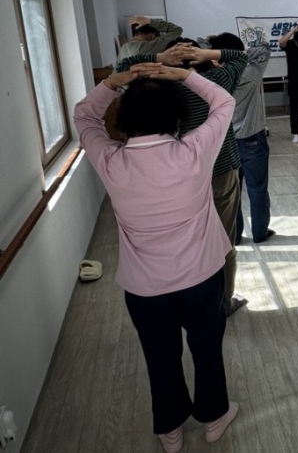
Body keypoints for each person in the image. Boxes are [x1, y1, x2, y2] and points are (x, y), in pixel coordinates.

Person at [74, 63, 239, 453]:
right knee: (207, 348)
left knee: (159, 356)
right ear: (178, 118)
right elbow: (224, 102)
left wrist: (112, 84)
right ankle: (214, 418)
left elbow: (84, 115)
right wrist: (182, 75)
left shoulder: (111, 161)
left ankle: (170, 430)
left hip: (145, 289)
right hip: (201, 279)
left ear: (124, 121)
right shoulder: (195, 151)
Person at [117, 40, 249, 317]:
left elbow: (122, 67)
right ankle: (222, 303)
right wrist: (205, 54)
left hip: (174, 178)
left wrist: (160, 57)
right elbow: (240, 56)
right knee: (223, 242)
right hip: (220, 172)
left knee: (182, 240)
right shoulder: (218, 81)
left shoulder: (156, 87)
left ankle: (180, 299)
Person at [209, 32, 274, 245]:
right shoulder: (250, 73)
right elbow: (263, 49)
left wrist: (210, 47)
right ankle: (260, 233)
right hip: (252, 138)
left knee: (231, 192)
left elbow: (196, 53)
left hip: (224, 142)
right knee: (258, 189)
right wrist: (236, 51)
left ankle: (234, 236)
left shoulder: (212, 77)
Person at [116, 15, 184, 63]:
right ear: (152, 35)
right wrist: (150, 21)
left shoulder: (124, 48)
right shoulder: (151, 46)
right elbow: (177, 30)